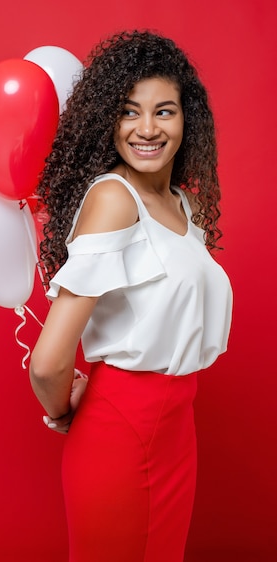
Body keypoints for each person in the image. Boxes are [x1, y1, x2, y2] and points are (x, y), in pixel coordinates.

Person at [29, 30, 233, 562]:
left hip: (177, 433)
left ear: (187, 120)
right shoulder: (114, 198)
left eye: (163, 111)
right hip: (120, 432)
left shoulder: (184, 207)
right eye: (128, 111)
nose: (147, 129)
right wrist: (64, 411)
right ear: (107, 122)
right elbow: (48, 364)